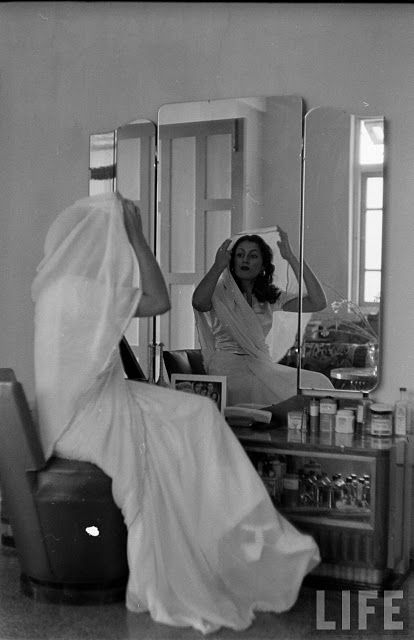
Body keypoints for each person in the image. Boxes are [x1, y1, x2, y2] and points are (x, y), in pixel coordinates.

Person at [32, 193, 320, 635]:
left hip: (73, 410)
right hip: (91, 414)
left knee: (199, 413)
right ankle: (233, 537)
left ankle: (228, 532)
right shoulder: (89, 291)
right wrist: (135, 235)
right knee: (193, 425)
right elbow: (160, 300)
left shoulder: (51, 284)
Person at [192, 228, 333, 406]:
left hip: (261, 366)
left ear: (263, 264)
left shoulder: (269, 297)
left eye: (252, 256)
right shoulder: (218, 291)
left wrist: (291, 257)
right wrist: (217, 266)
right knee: (263, 391)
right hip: (227, 367)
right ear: (232, 261)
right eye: (240, 255)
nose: (245, 260)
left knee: (317, 382)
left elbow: (318, 302)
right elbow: (198, 303)